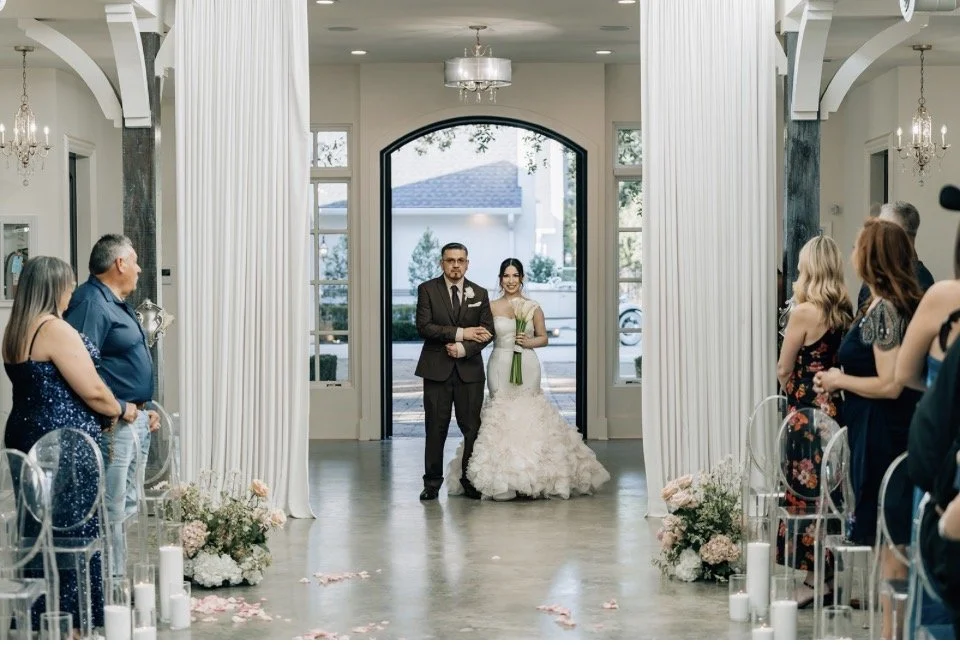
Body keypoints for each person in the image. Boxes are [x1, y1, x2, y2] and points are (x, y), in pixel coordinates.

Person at [2, 256, 124, 631]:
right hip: (62, 445)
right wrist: (118, 410)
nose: (73, 291)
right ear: (56, 286)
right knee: (72, 531)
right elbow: (91, 390)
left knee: (38, 531)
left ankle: (40, 618)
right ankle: (71, 621)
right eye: (69, 284)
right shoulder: (53, 329)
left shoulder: (16, 329)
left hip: (26, 434)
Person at [815, 218, 924, 638]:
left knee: (889, 538)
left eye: (858, 247)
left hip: (883, 433)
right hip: (870, 428)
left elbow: (891, 382)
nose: (851, 255)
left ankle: (891, 634)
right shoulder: (878, 304)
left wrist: (840, 380)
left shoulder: (886, 309)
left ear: (872, 256)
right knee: (885, 539)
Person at [446, 259, 610, 500]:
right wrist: (462, 347)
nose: (511, 280)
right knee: (501, 414)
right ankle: (502, 478)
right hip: (500, 364)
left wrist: (527, 341)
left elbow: (544, 338)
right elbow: (482, 336)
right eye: (506, 276)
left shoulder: (533, 307)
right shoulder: (490, 307)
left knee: (529, 413)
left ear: (522, 278)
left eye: (515, 275)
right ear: (500, 279)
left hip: (527, 364)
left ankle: (534, 477)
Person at [64, 234, 159, 576]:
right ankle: (108, 583)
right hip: (112, 424)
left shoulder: (114, 302)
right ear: (119, 263)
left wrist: (141, 407)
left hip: (132, 418)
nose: (139, 268)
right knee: (111, 508)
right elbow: (79, 368)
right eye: (134, 261)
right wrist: (119, 406)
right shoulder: (90, 303)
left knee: (128, 505)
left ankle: (115, 577)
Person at [775, 235, 853, 606]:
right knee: (831, 494)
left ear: (810, 267)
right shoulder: (845, 309)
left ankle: (812, 580)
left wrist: (792, 389)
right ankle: (831, 576)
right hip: (834, 414)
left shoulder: (804, 312)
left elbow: (783, 366)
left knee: (805, 497)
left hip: (805, 416)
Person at [414, 242, 494, 501]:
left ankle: (469, 480)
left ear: (467, 263)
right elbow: (425, 327)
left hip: (469, 372)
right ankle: (432, 483)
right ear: (442, 263)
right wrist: (462, 333)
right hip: (436, 371)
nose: (456, 265)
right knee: (435, 428)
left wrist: (464, 349)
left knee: (472, 428)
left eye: (460, 260)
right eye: (450, 260)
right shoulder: (427, 290)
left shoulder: (480, 293)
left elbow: (487, 332)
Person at [856, 201, 934, 310]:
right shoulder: (877, 275)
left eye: (882, 229)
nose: (875, 235)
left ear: (898, 234)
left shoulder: (920, 281)